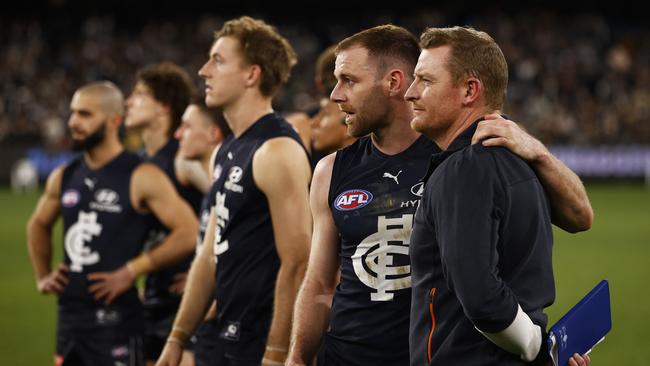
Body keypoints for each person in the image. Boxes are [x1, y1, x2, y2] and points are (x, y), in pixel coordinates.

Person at [287, 25, 593, 366]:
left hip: (441, 352)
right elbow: (319, 284)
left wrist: (538, 151)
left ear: (392, 82)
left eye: (349, 80)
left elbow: (580, 217)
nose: (334, 95)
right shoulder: (333, 171)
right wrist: (297, 358)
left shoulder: (469, 155)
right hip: (352, 356)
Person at [405, 26, 591, 366]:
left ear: (469, 91)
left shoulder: (465, 168)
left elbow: (481, 298)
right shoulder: (517, 158)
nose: (410, 93)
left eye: (425, 81)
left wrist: (536, 347)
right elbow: (582, 218)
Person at [156, 16, 312, 366]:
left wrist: (276, 353)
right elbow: (208, 254)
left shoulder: (277, 150)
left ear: (251, 75)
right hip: (227, 336)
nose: (203, 70)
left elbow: (298, 263)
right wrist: (177, 337)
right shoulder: (227, 151)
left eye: (218, 60)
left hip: (261, 344)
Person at [26, 81, 198, 366]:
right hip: (69, 319)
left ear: (113, 120)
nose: (73, 123)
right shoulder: (65, 175)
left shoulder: (141, 175)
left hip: (118, 321)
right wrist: (42, 275)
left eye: (84, 114)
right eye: (73, 113)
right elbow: (38, 224)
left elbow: (189, 231)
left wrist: (132, 271)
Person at [124, 62, 205, 366]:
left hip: (187, 305)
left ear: (163, 108)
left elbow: (236, 207)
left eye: (140, 94)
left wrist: (218, 275)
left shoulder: (184, 158)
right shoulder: (144, 163)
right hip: (155, 299)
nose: (128, 101)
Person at [173, 99, 232, 366]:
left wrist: (221, 295)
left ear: (213, 134)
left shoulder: (234, 191)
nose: (178, 134)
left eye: (186, 127)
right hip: (208, 327)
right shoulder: (214, 188)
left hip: (228, 328)